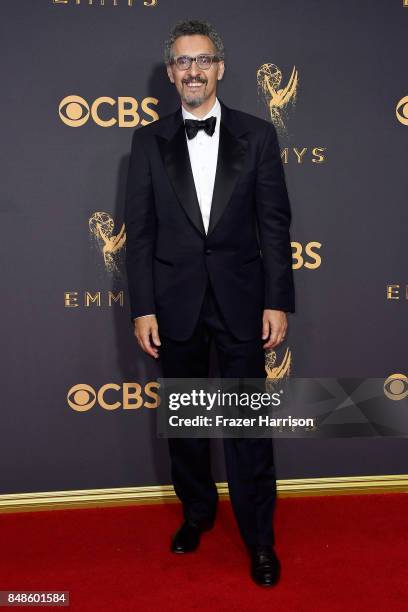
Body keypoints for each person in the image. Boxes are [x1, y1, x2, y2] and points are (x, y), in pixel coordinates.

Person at [124, 19, 295, 587]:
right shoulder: (148, 141)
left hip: (244, 302)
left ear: (220, 67)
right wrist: (143, 308)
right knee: (188, 424)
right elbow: (140, 232)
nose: (192, 70)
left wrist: (278, 300)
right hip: (174, 304)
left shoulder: (259, 134)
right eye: (181, 62)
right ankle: (196, 514)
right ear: (171, 74)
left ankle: (259, 538)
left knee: (248, 428)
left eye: (201, 60)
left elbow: (274, 225)